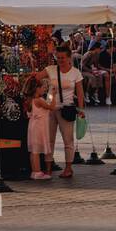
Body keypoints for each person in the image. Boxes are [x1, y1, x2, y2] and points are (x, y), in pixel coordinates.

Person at [43, 45, 85, 177]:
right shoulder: (50, 69)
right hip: (49, 109)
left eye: (62, 58)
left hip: (66, 109)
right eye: (58, 57)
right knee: (49, 140)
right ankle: (48, 168)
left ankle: (68, 168)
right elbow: (35, 78)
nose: (60, 60)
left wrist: (81, 108)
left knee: (68, 140)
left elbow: (80, 92)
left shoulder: (75, 72)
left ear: (69, 58)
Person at [25, 75, 54, 180]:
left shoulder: (30, 100)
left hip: (33, 126)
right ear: (37, 88)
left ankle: (34, 171)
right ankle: (37, 172)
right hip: (39, 127)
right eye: (42, 88)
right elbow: (51, 106)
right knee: (36, 151)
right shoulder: (39, 100)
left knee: (33, 151)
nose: (44, 89)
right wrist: (53, 95)